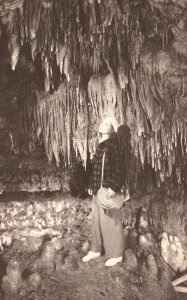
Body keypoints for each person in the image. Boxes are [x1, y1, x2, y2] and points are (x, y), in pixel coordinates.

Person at [82, 117, 125, 267]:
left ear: (112, 129)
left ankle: (116, 254)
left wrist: (114, 186)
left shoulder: (114, 145)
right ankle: (96, 249)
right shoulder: (100, 145)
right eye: (102, 122)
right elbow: (95, 169)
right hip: (97, 189)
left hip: (107, 189)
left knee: (111, 221)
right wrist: (91, 185)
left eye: (107, 123)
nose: (102, 124)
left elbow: (120, 167)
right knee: (96, 221)